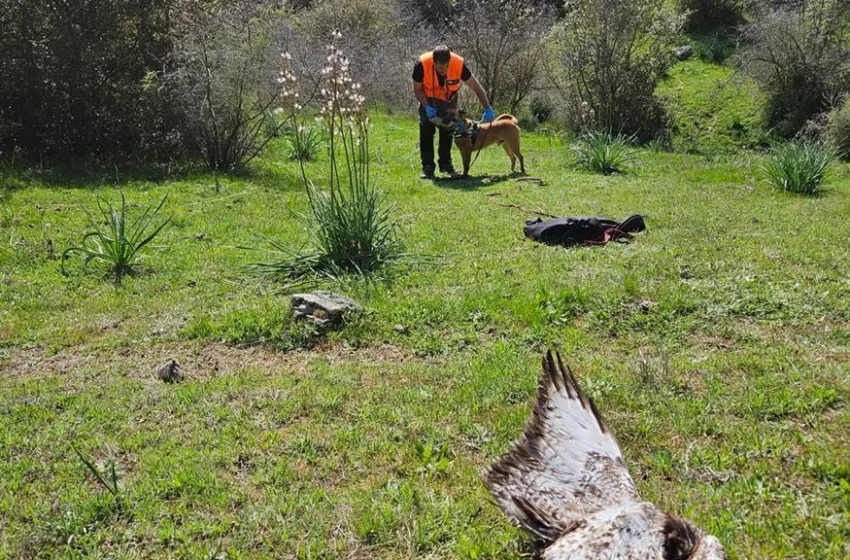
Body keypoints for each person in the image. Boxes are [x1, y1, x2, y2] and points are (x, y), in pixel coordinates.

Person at [412, 45, 495, 179]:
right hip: (428, 99)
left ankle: (446, 164)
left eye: (446, 67)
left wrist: (487, 107)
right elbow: (417, 89)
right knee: (426, 129)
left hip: (449, 100)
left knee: (449, 129)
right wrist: (426, 107)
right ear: (434, 62)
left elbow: (476, 87)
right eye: (440, 68)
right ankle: (428, 168)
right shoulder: (421, 64)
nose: (443, 70)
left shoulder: (458, 64)